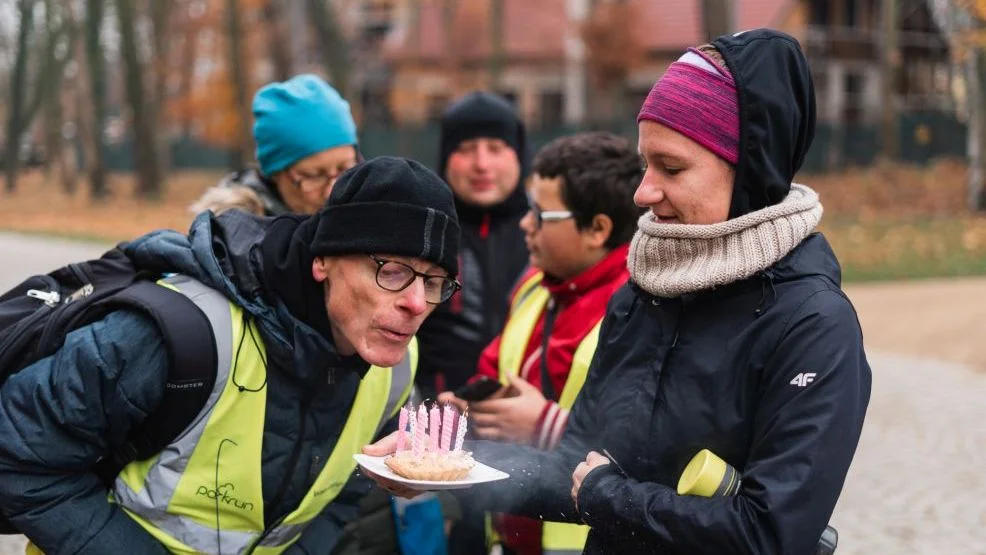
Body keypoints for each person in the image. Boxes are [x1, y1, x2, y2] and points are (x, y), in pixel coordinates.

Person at [367, 29, 872, 554]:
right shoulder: (644, 295)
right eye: (645, 164)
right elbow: (572, 469)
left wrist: (612, 498)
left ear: (751, 169)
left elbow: (771, 532)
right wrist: (444, 462)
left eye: (671, 168)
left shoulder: (813, 324)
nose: (643, 191)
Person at [0, 156, 461, 555]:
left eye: (435, 281)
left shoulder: (398, 366)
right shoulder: (176, 335)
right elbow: (19, 456)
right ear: (324, 260)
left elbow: (343, 492)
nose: (418, 304)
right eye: (394, 271)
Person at [438, 132, 643, 555]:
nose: (524, 224)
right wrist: (472, 410)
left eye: (540, 214)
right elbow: (495, 370)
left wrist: (548, 426)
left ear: (597, 230)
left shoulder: (642, 311)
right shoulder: (535, 287)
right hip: (509, 535)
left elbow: (646, 451)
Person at [415, 91, 531, 398]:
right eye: (466, 149)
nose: (481, 164)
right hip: (433, 422)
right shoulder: (420, 229)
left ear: (518, 153)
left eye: (495, 148)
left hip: (527, 426)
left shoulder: (549, 231)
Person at [190, 74, 360, 217]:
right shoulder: (237, 246)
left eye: (346, 170)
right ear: (274, 174)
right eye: (314, 175)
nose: (332, 192)